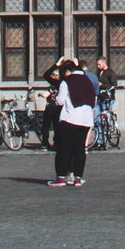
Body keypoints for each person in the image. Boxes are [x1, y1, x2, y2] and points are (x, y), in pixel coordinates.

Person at [49, 58, 96, 188]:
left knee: (65, 148)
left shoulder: (66, 82)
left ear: (67, 71)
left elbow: (61, 100)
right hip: (86, 119)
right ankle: (77, 178)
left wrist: (54, 98)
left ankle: (61, 177)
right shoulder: (88, 80)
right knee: (80, 149)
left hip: (70, 118)